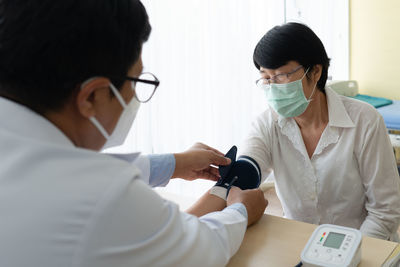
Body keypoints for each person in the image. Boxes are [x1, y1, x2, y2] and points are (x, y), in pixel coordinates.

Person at [0, 1, 268, 266]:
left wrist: (175, 163)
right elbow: (202, 249)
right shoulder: (105, 199)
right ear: (92, 96)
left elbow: (68, 169)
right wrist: (240, 210)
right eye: (137, 81)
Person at [240, 22, 400, 241]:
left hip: (364, 247)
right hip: (298, 246)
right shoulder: (267, 124)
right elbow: (246, 169)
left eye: (280, 76)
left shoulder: (365, 121)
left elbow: (385, 211)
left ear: (315, 71)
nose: (272, 87)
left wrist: (346, 254)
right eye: (266, 78)